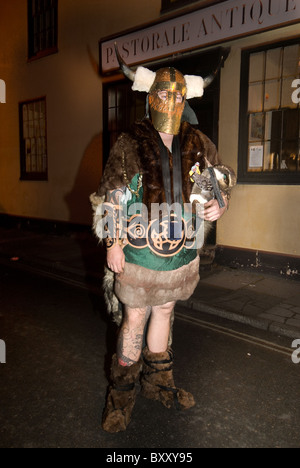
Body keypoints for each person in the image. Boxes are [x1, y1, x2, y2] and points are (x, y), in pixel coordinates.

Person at [90, 51, 234, 433]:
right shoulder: (131, 141)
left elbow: (213, 184)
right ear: (151, 96)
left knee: (166, 310)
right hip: (139, 250)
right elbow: (114, 193)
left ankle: (158, 383)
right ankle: (120, 397)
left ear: (185, 99)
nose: (171, 102)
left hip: (180, 253)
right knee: (135, 315)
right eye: (164, 94)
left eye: (178, 96)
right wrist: (113, 243)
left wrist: (215, 206)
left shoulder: (198, 142)